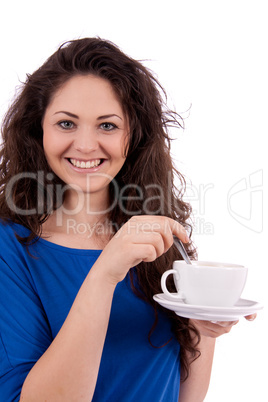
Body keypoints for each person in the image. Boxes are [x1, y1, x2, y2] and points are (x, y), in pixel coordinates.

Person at [0, 38, 256, 402]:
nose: (86, 145)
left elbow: (183, 395)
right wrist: (105, 273)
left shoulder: (155, 235)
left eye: (107, 126)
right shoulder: (11, 249)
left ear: (133, 136)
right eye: (66, 123)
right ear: (38, 130)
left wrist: (204, 332)